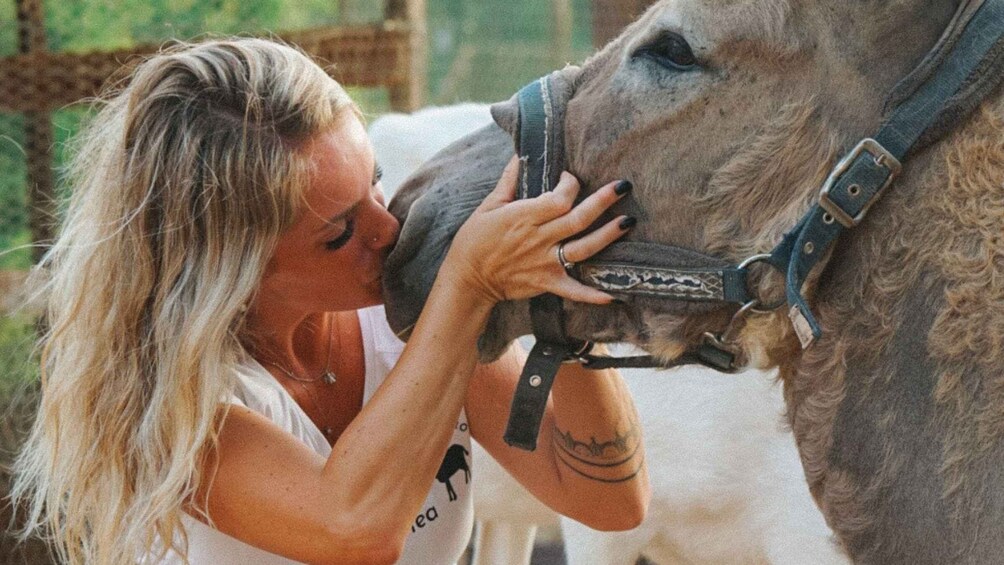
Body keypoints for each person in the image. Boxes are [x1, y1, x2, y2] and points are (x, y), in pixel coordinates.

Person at [11, 38, 649, 565]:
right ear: (228, 270)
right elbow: (353, 531)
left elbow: (611, 503)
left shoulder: (410, 311)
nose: (388, 230)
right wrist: (468, 286)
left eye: (375, 184)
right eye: (340, 232)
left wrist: (560, 308)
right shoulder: (162, 397)